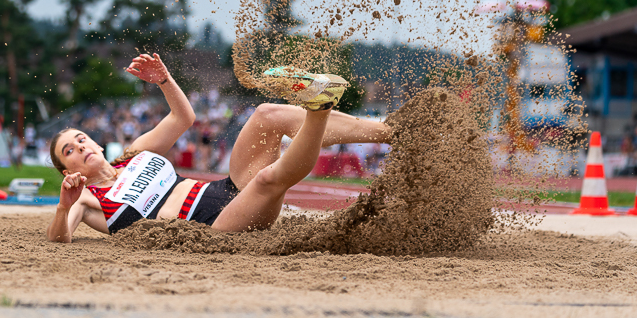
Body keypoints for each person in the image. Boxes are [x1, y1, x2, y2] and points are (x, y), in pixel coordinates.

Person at [47, 54, 391, 242]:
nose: (80, 147)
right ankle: (319, 107)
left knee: (267, 115)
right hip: (212, 227)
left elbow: (183, 117)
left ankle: (390, 132)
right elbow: (59, 239)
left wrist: (165, 81)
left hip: (225, 190)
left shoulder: (131, 156)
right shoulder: (86, 198)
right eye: (69, 151)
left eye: (80, 139)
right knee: (268, 180)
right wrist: (64, 207)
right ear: (68, 171)